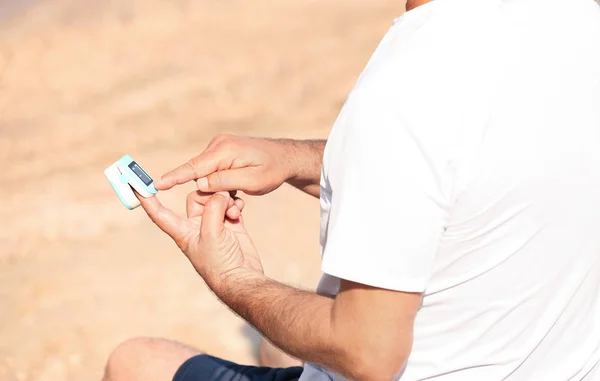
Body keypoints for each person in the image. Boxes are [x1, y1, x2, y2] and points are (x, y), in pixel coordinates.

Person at [102, 0, 600, 380]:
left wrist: (233, 277)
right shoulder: (574, 23)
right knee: (276, 347)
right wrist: (296, 158)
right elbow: (472, 163)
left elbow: (369, 351)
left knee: (137, 361)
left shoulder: (404, 89)